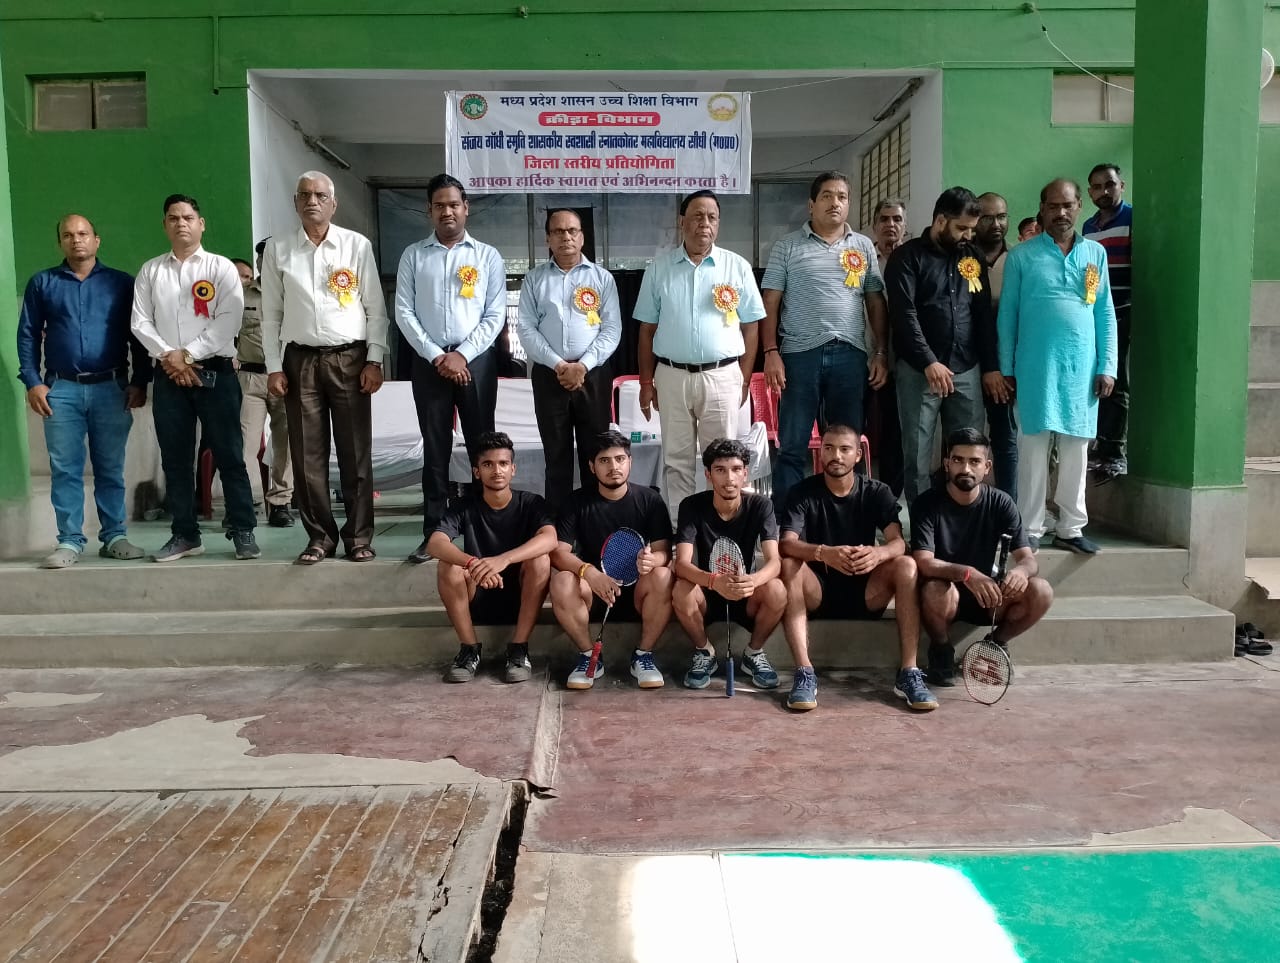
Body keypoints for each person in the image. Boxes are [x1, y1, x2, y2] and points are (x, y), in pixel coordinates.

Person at [261, 172, 388, 565]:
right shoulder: (278, 248)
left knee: (355, 453)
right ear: (295, 202)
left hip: (350, 359)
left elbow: (375, 308)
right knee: (306, 456)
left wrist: (374, 359)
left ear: (334, 203)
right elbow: (270, 314)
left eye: (320, 195)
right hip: (299, 360)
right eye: (304, 195)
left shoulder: (356, 245)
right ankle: (320, 537)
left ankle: (359, 537)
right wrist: (273, 366)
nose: (312, 201)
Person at [17, 214, 149, 569]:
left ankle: (115, 536)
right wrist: (33, 381)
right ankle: (69, 541)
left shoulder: (121, 283)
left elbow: (138, 335)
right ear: (60, 242)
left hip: (112, 388)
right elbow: (28, 334)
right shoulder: (43, 283)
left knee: (110, 467)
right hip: (61, 390)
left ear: (96, 239)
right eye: (68, 235)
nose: (76, 240)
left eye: (83, 233)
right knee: (65, 469)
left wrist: (140, 380)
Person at [131, 194, 257, 562]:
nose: (181, 223)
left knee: (229, 454)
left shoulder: (220, 268)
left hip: (215, 371)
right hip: (168, 375)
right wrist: (171, 357)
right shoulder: (151, 271)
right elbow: (140, 322)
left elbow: (229, 320)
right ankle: (185, 534)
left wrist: (186, 354)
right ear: (165, 225)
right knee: (175, 458)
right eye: (173, 218)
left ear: (201, 224)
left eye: (188, 217)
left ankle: (243, 529)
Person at [779, 424, 936, 712]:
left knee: (906, 564)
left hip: (867, 591)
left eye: (844, 449)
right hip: (818, 592)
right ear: (820, 452)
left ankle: (909, 672)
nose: (836, 456)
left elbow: (898, 543)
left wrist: (878, 553)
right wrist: (823, 553)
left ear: (858, 455)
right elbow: (786, 544)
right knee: (789, 565)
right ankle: (804, 672)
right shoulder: (802, 492)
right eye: (829, 448)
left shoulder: (877, 491)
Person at [998, 178, 1117, 555]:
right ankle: (1029, 527)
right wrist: (1006, 368)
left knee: (1076, 448)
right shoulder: (1022, 256)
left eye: (1067, 205)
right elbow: (1008, 316)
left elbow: (1105, 312)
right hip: (1034, 367)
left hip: (1082, 369)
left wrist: (1108, 365)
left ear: (1079, 206)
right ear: (1042, 209)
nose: (1061, 213)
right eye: (1053, 206)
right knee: (1032, 447)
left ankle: (1071, 527)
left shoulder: (1094, 254)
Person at [760, 172, 888, 508]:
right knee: (792, 445)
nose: (835, 203)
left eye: (842, 197)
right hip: (799, 355)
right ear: (811, 204)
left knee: (846, 443)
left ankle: (845, 516)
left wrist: (880, 352)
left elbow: (875, 301)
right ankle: (788, 522)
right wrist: (770, 351)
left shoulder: (863, 246)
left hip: (850, 355)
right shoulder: (787, 246)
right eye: (827, 196)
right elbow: (770, 301)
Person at [635, 190, 764, 523]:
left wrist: (744, 379)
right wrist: (646, 383)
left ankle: (719, 528)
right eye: (697, 216)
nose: (704, 223)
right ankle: (683, 530)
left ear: (718, 224)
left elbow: (751, 327)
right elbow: (646, 330)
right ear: (682, 222)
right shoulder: (659, 269)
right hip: (671, 376)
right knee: (675, 459)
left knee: (723, 460)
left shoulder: (737, 267)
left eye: (712, 217)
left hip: (723, 376)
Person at [396, 173, 507, 562]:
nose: (448, 211)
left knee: (482, 446)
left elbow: (495, 314)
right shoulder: (413, 256)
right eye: (440, 205)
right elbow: (404, 312)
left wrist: (463, 354)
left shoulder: (487, 256)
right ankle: (434, 533)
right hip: (429, 363)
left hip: (477, 362)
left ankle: (482, 530)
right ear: (429, 210)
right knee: (435, 447)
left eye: (454, 204)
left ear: (466, 208)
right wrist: (436, 355)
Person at [911, 428, 1054, 685]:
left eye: (974, 461)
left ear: (986, 467)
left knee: (1041, 591)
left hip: (988, 595)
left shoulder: (1001, 502)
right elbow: (924, 562)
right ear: (947, 463)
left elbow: (1028, 559)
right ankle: (941, 650)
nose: (965, 468)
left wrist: (1020, 572)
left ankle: (994, 645)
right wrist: (967, 574)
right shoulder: (927, 503)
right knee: (933, 589)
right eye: (958, 460)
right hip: (946, 593)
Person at [886, 187, 994, 504]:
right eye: (962, 228)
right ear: (941, 220)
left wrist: (990, 367)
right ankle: (922, 522)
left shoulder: (972, 257)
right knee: (917, 453)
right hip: (919, 371)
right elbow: (904, 315)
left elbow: (982, 315)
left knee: (969, 451)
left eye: (972, 229)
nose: (968, 235)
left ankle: (961, 517)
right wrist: (928, 361)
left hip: (966, 367)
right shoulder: (907, 257)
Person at [426, 432, 556, 684]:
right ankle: (469, 650)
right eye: (488, 464)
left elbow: (550, 538)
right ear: (476, 472)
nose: (497, 470)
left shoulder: (531, 503)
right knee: (448, 565)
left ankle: (519, 648)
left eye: (503, 463)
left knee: (541, 560)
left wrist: (504, 559)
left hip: (522, 593)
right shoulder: (463, 505)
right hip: (479, 591)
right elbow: (435, 543)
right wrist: (473, 563)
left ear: (513, 469)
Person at [549, 430, 674, 690]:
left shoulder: (650, 500)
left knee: (663, 575)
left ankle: (643, 655)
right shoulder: (576, 502)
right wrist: (589, 572)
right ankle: (589, 656)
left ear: (630, 461)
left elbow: (664, 552)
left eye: (619, 459)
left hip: (640, 593)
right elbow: (558, 553)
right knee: (562, 581)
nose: (613, 467)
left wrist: (652, 561)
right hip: (595, 593)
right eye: (604, 460)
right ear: (592, 467)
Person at [517, 209, 621, 511]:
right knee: (556, 454)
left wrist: (583, 365)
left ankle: (594, 518)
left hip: (593, 375)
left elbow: (612, 329)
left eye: (572, 231)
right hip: (550, 375)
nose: (566, 237)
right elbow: (526, 329)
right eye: (558, 231)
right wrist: (559, 365)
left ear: (582, 237)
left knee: (596, 453)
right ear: (548, 239)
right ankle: (558, 524)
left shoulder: (602, 278)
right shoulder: (534, 279)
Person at [672, 439, 787, 690]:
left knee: (777, 590)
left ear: (745, 473)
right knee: (681, 589)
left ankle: (754, 653)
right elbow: (681, 564)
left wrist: (752, 581)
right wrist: (714, 581)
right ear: (708, 474)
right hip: (708, 591)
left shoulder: (761, 505)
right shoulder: (691, 506)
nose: (729, 478)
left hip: (745, 592)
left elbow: (774, 562)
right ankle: (705, 652)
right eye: (720, 470)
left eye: (736, 469)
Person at [233, 253, 293, 528]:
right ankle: (245, 502)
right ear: (258, 262)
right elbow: (225, 329)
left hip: (286, 379)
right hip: (251, 378)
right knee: (243, 443)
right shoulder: (242, 294)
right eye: (262, 258)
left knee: (285, 443)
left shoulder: (295, 294)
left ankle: (280, 503)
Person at [1082, 162, 1133, 482]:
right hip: (1096, 314)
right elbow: (1091, 274)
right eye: (1097, 187)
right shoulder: (1089, 226)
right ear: (1090, 192)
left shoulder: (1132, 219)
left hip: (1125, 311)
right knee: (1096, 380)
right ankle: (1100, 447)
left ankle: (1115, 452)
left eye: (1110, 185)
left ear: (1121, 186)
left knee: (1118, 381)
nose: (1104, 191)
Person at [973, 192, 1018, 501]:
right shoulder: (961, 257)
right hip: (965, 360)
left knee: (1005, 434)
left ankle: (1008, 504)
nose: (996, 224)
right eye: (987, 217)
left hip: (1005, 363)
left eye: (1001, 216)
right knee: (965, 435)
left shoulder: (1018, 259)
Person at [867, 198, 908, 497]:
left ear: (905, 225)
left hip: (902, 358)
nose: (890, 225)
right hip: (863, 353)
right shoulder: (861, 258)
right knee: (860, 427)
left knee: (895, 430)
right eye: (884, 219)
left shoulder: (912, 258)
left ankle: (890, 497)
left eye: (896, 219)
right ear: (874, 225)